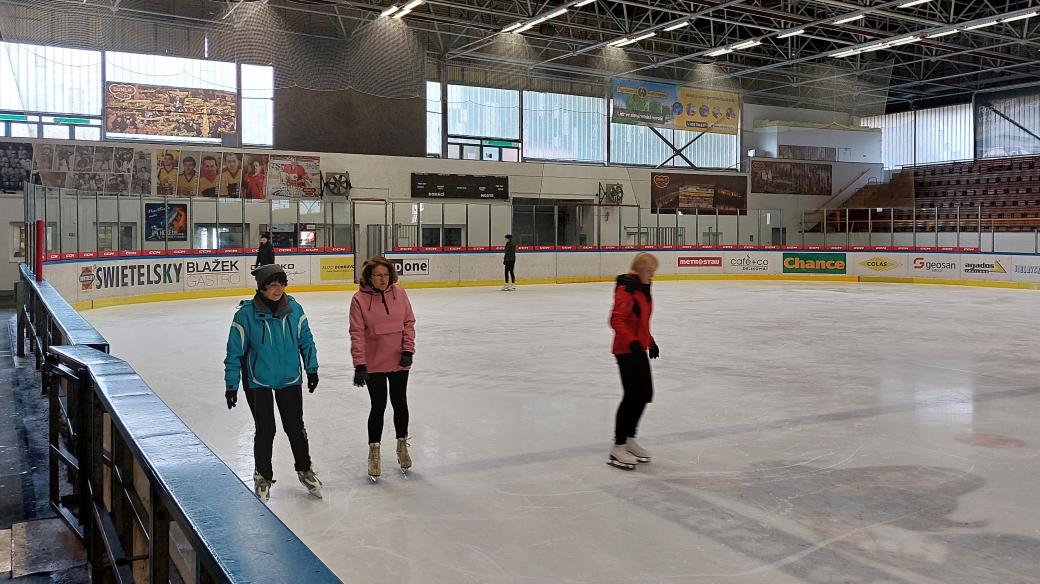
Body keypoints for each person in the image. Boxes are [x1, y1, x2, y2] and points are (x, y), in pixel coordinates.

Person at [223, 264, 322, 502]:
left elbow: (306, 341)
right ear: (262, 287)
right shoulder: (245, 315)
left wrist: (312, 369)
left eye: (282, 284)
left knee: (295, 428)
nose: (278, 289)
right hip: (258, 381)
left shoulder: (294, 309)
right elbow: (234, 352)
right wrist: (231, 385)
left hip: (289, 377)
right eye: (273, 285)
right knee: (266, 430)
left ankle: (305, 470)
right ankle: (263, 477)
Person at [349, 257, 416, 479]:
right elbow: (357, 333)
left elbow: (408, 323)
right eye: (378, 275)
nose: (382, 279)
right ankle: (374, 451)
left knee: (400, 403)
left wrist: (408, 350)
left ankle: (401, 444)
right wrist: (359, 364)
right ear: (368, 276)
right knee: (378, 406)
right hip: (374, 362)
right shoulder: (358, 300)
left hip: (399, 359)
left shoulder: (401, 294)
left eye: (386, 275)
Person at [607, 252, 660, 471]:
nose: (652, 276)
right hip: (626, 349)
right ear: (639, 270)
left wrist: (651, 341)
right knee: (631, 396)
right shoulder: (627, 288)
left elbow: (641, 321)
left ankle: (629, 438)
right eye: (649, 271)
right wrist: (631, 342)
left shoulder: (642, 288)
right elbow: (616, 319)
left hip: (638, 347)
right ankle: (618, 446)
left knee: (645, 393)